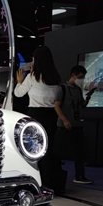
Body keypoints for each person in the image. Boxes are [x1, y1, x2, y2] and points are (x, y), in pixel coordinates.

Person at [14, 45, 65, 193]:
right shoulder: (56, 79)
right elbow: (58, 99)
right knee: (48, 149)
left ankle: (37, 182)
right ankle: (49, 183)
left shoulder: (32, 77)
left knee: (33, 150)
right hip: (51, 116)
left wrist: (19, 81)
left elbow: (18, 94)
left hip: (35, 115)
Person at [54, 65, 97, 184]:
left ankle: (80, 176)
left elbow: (82, 105)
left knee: (80, 152)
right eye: (80, 77)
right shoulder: (62, 88)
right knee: (58, 151)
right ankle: (54, 175)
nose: (82, 79)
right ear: (73, 75)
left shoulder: (78, 89)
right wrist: (64, 120)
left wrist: (89, 95)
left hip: (76, 124)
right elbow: (56, 106)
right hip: (64, 126)